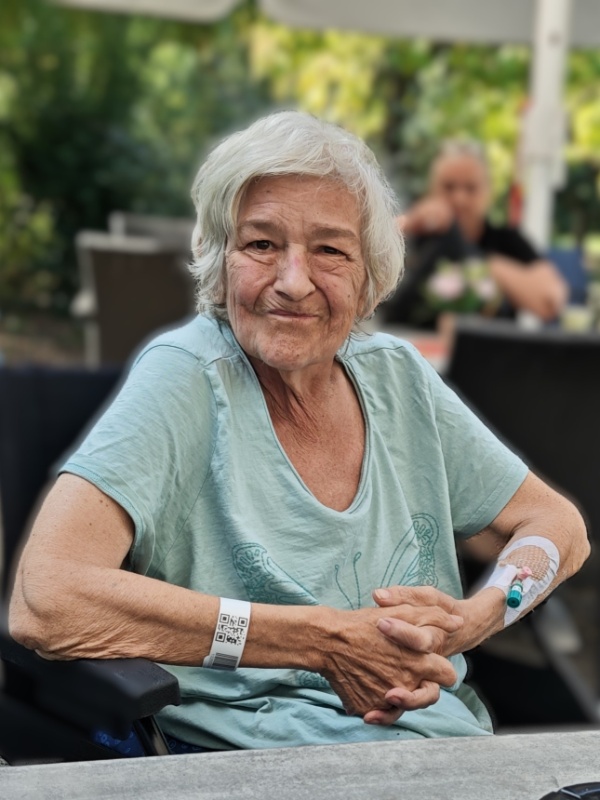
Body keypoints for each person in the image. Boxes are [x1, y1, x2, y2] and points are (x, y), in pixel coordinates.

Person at [9, 112, 588, 752]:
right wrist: (321, 641)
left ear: (369, 278)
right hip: (257, 759)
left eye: (330, 251)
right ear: (218, 260)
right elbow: (47, 598)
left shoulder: (398, 376)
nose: (292, 281)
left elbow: (558, 525)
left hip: (448, 746)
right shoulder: (187, 377)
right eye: (261, 244)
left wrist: (472, 620)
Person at [382, 139, 568, 329]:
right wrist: (410, 222)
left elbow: (551, 301)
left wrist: (483, 263)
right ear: (431, 189)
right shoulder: (414, 237)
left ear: (489, 191)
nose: (459, 199)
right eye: (449, 187)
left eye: (471, 188)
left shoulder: (507, 241)